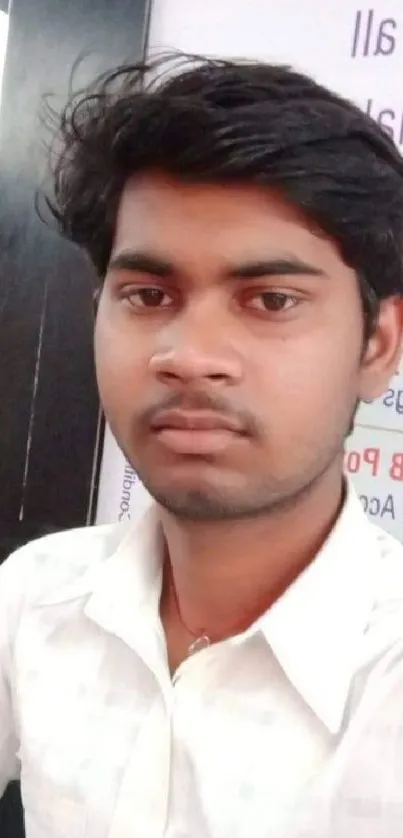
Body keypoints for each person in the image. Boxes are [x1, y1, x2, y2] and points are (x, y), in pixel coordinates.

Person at [1, 52, 403, 838]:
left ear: (378, 345)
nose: (188, 353)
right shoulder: (33, 600)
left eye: (271, 300)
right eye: (148, 296)